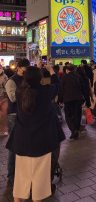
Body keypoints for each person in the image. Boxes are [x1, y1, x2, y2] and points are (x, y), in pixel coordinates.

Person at [6, 61, 65, 202]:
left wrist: (34, 72)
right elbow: (58, 85)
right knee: (40, 176)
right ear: (40, 78)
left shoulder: (21, 92)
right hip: (41, 142)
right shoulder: (46, 91)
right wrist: (50, 70)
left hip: (22, 141)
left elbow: (30, 83)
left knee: (21, 174)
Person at [5, 58, 30, 186]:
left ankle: (21, 172)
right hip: (14, 115)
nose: (26, 73)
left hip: (24, 115)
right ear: (19, 68)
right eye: (25, 71)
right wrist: (27, 90)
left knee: (23, 145)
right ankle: (11, 175)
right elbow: (13, 98)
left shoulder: (26, 79)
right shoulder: (11, 81)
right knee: (14, 146)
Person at [59, 64, 85, 140]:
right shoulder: (78, 77)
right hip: (78, 99)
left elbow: (61, 90)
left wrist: (60, 100)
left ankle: (73, 130)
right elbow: (82, 88)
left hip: (68, 99)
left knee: (68, 116)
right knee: (77, 115)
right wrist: (83, 99)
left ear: (67, 70)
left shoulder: (64, 77)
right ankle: (75, 130)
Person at [0, 64, 8, 135]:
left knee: (4, 114)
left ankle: (3, 129)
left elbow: (7, 86)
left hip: (3, 98)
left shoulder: (5, 76)